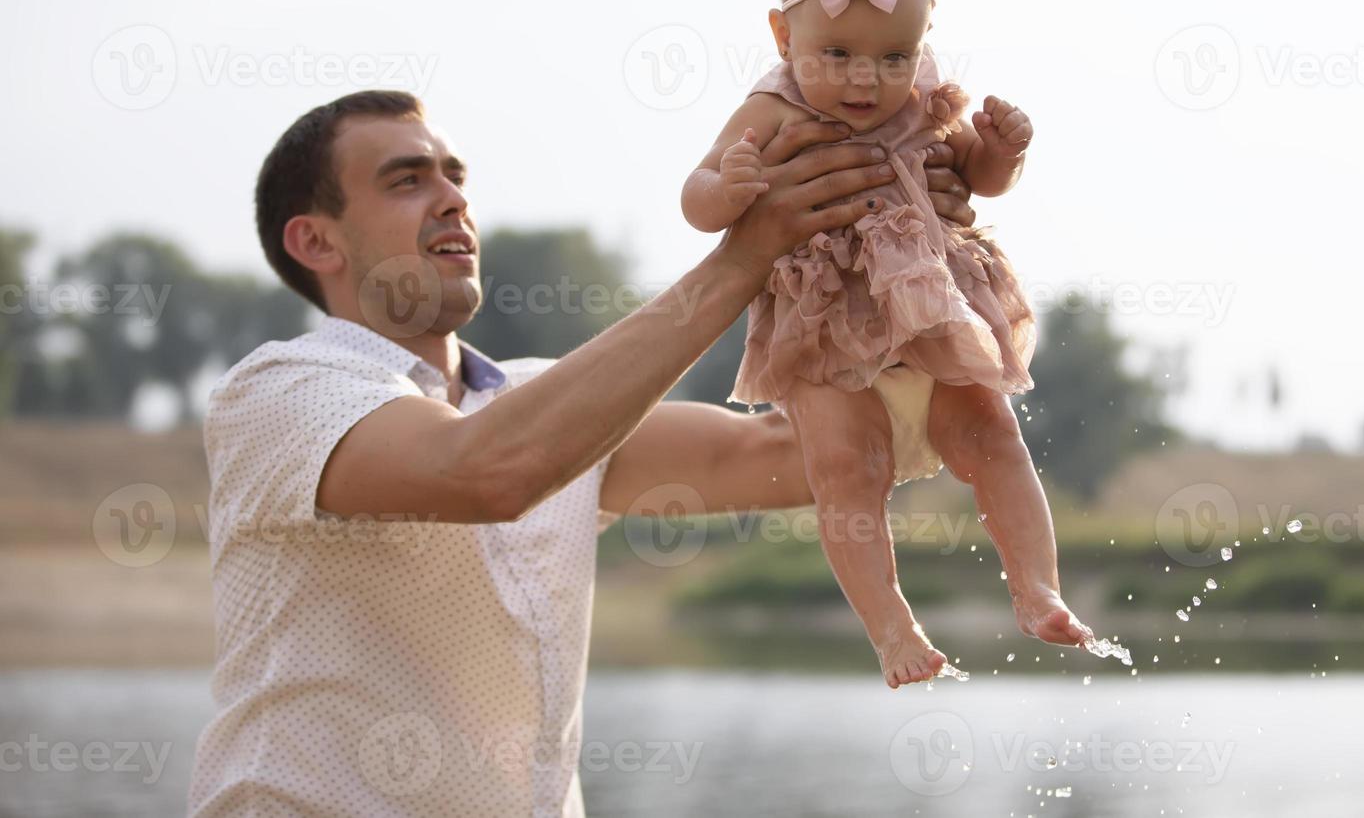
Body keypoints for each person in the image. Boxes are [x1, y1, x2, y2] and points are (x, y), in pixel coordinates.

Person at [186, 88, 983, 816]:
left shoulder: (540, 403)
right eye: (408, 181)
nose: (454, 199)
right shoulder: (280, 392)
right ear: (315, 241)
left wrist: (910, 239)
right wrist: (741, 259)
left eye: (456, 176)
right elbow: (484, 473)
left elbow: (790, 450)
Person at [681, 0, 1092, 691]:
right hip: (827, 327)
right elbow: (696, 197)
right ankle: (891, 624)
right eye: (836, 54)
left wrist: (1003, 150)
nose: (866, 80)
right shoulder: (768, 111)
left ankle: (1036, 584)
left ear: (925, 39)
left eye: (892, 56)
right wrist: (726, 188)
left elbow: (975, 175)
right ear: (782, 34)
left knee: (995, 435)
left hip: (934, 314)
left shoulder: (929, 96)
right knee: (845, 470)